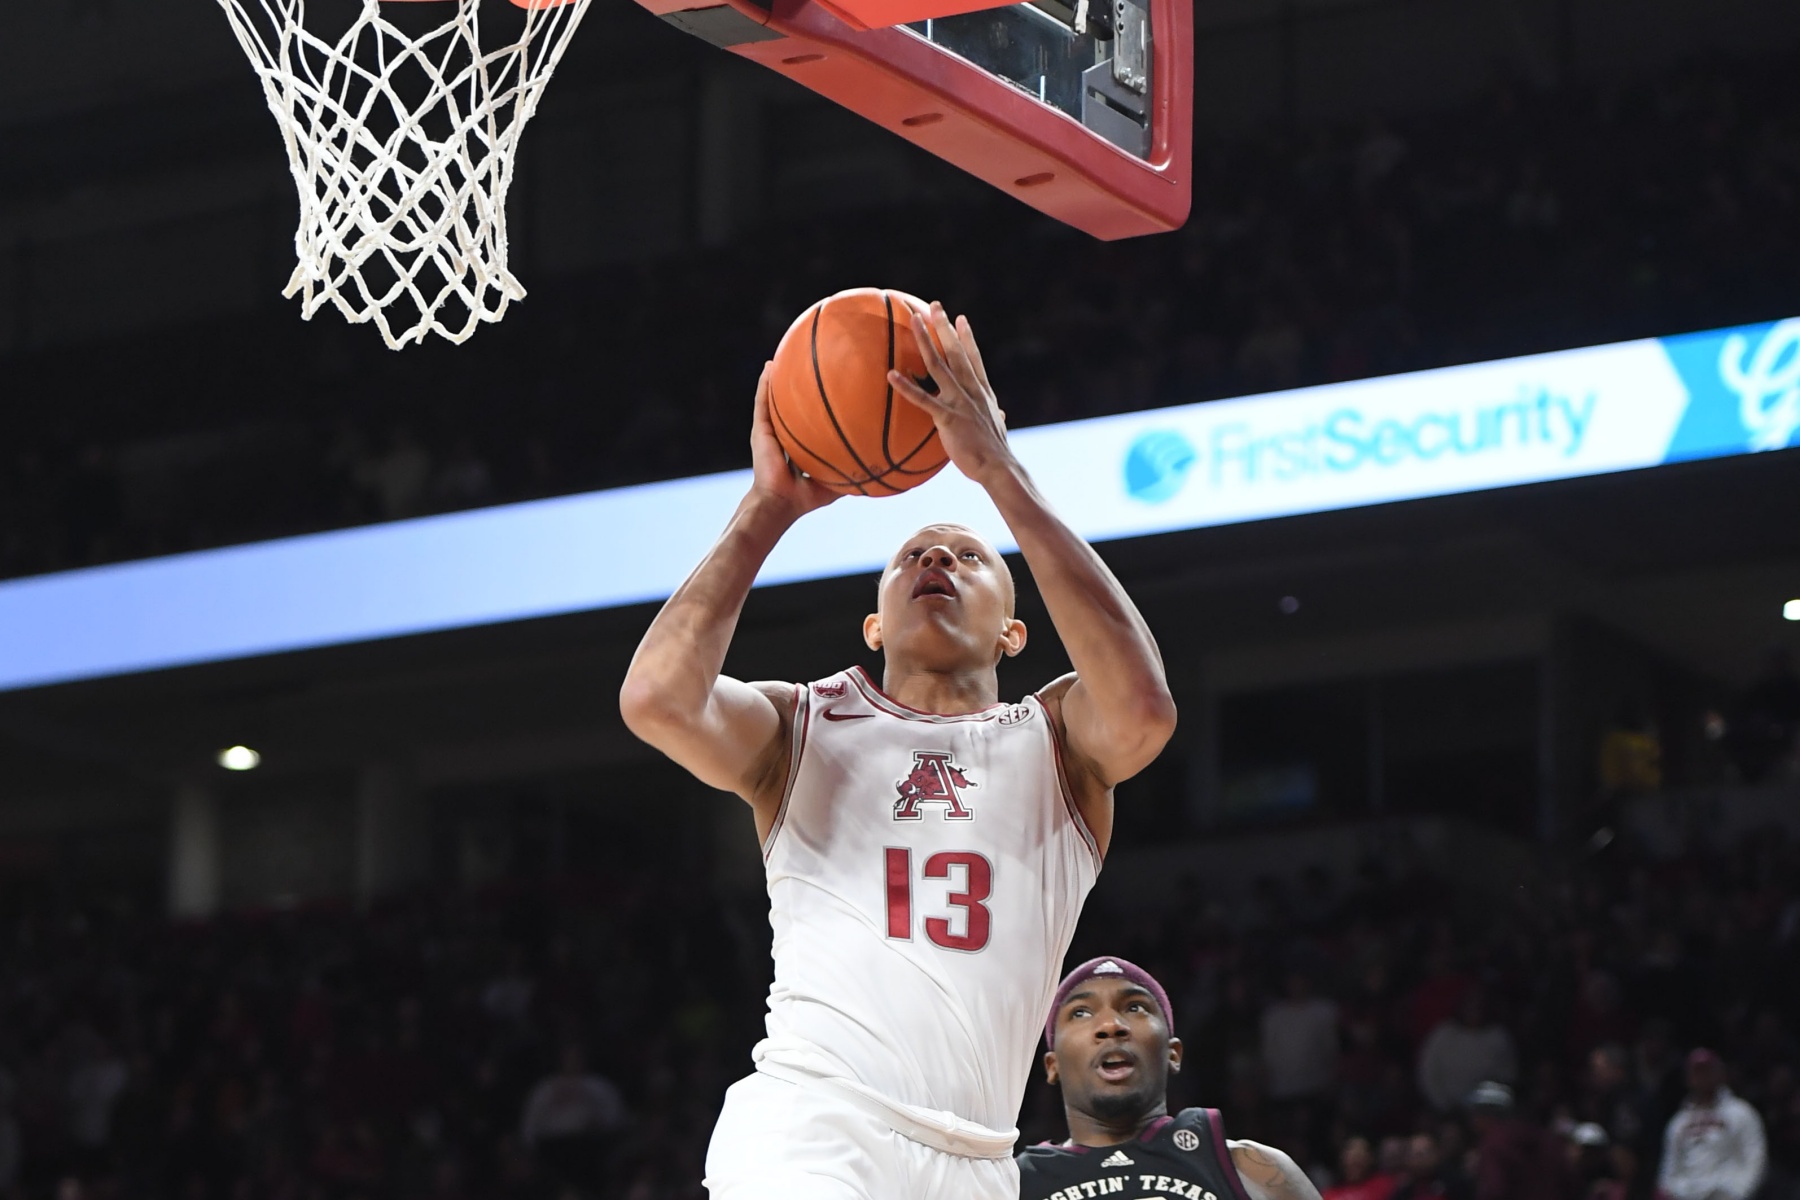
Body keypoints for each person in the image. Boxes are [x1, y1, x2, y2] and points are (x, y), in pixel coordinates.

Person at [620, 303, 1177, 1200]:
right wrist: (767, 509)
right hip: (815, 1122)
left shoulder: (1060, 738)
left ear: (1014, 632)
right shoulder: (800, 726)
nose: (938, 562)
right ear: (875, 621)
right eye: (915, 553)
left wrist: (998, 472)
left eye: (968, 557)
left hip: (980, 1161)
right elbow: (656, 700)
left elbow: (1145, 709)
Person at [1018, 957, 1321, 1200]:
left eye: (1135, 1007)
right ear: (1052, 1065)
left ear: (1173, 1053)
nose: (1111, 1025)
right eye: (1081, 1013)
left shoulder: (1253, 1168)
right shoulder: (1010, 1186)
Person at [1655, 1050, 1766, 1200]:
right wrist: (1671, 1192)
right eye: (1697, 1072)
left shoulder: (1741, 1113)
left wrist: (1738, 1193)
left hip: (1725, 1193)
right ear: (1689, 1078)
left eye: (1707, 1071)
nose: (1702, 1078)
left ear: (1720, 1074)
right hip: (1686, 1194)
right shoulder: (1679, 1121)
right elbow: (1668, 1168)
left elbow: (1755, 1159)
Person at [1417, 989, 1517, 1114]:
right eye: (1470, 1005)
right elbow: (1428, 1073)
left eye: (1479, 1006)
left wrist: (1482, 1110)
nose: (1474, 1010)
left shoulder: (1498, 1037)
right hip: (1443, 1110)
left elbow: (1506, 1077)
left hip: (1486, 1114)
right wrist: (1445, 1106)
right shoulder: (1444, 1034)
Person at [1463, 1082, 1566, 1200]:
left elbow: (1494, 1190)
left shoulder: (1494, 1143)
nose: (1472, 1120)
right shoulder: (1546, 1139)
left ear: (1487, 1115)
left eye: (1476, 1113)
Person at [1322, 1137, 1397, 1200]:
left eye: (1359, 1157)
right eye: (1352, 1159)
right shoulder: (1330, 1194)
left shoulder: (1383, 1186)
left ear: (1370, 1159)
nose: (1355, 1158)